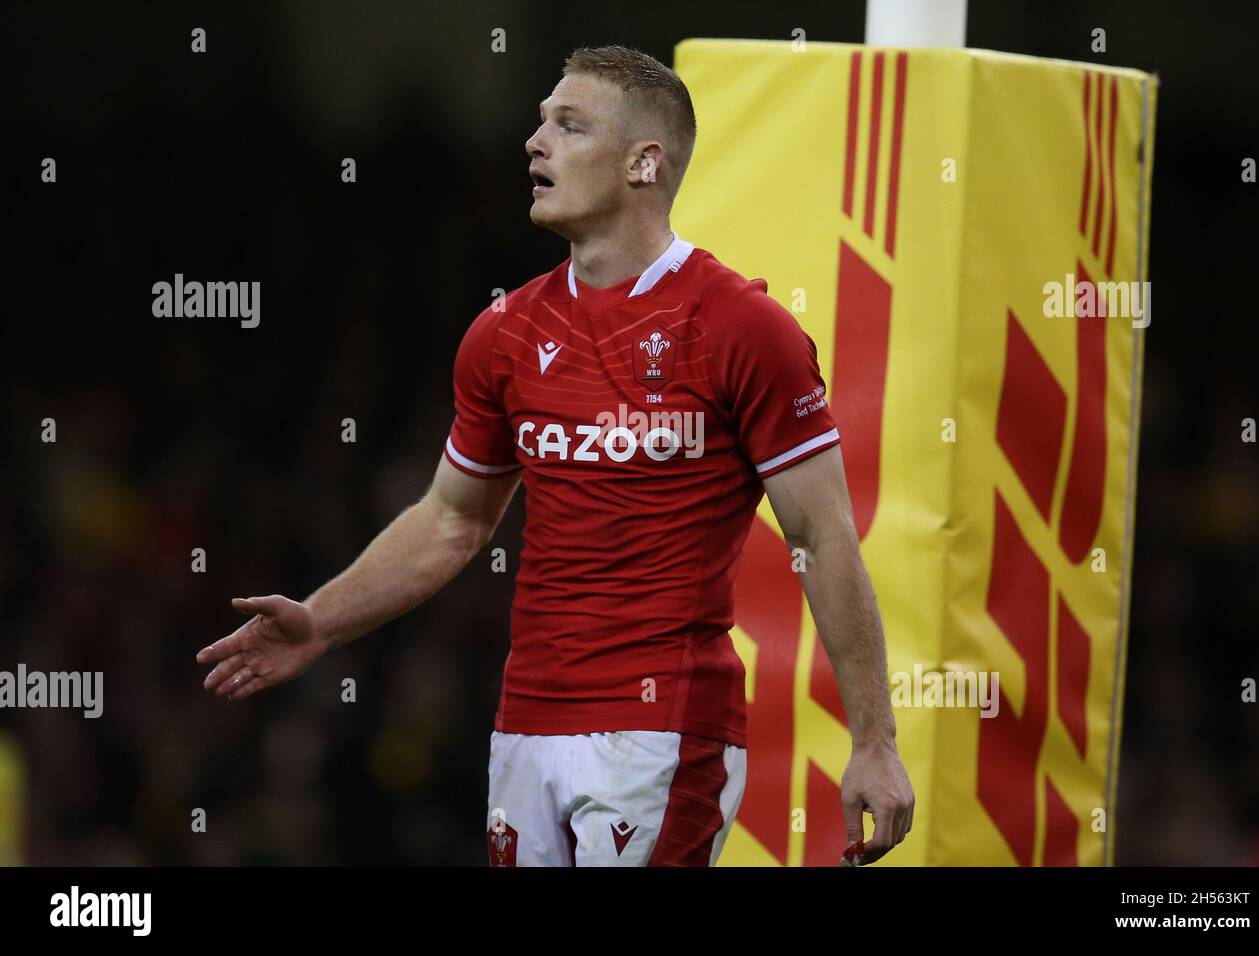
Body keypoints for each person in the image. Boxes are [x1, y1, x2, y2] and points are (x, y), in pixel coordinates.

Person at [197, 44, 914, 867]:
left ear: (645, 163)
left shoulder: (744, 330)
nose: (535, 144)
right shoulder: (503, 334)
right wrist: (321, 621)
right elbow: (451, 521)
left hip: (663, 731)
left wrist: (874, 740)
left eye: (568, 126)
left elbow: (822, 539)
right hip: (526, 726)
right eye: (539, 123)